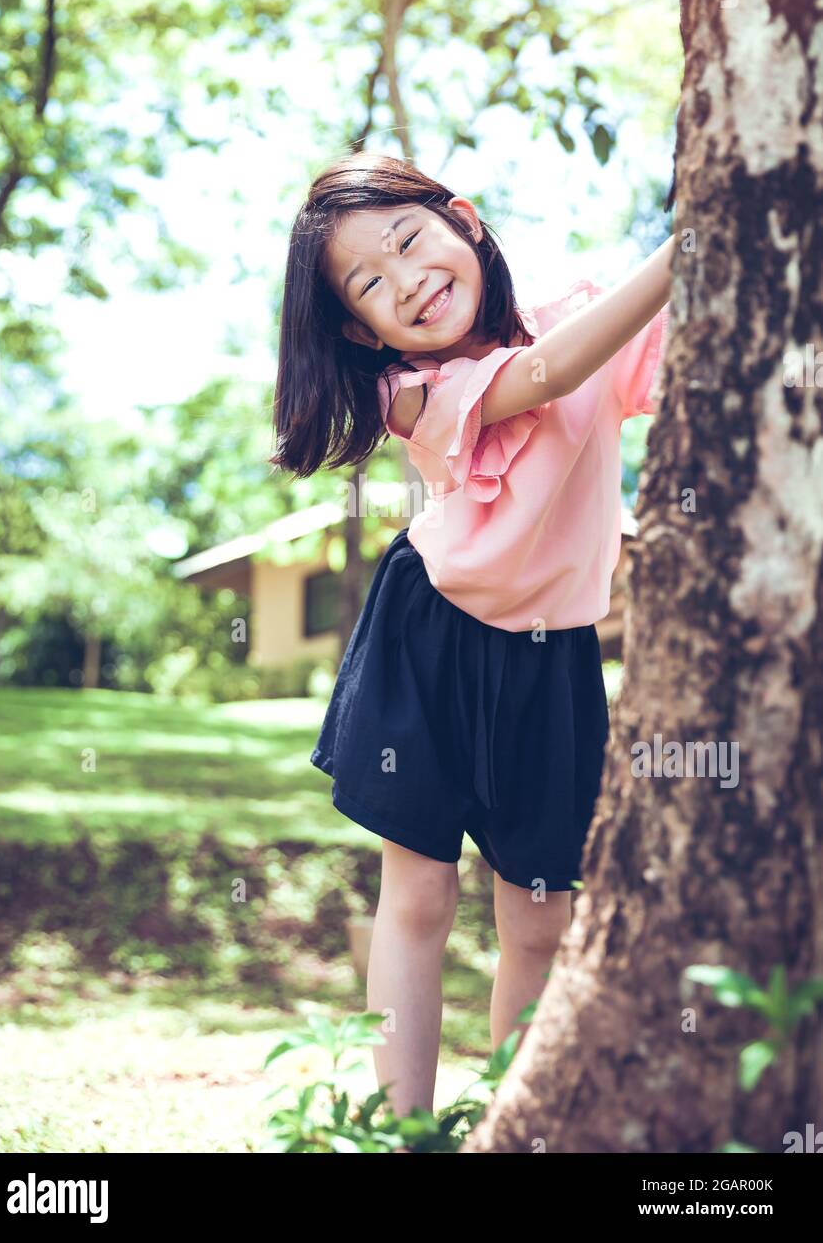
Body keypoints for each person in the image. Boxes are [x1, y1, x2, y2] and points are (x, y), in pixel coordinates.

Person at [270, 151, 672, 1118]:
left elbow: (670, 379)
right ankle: (406, 1134)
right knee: (416, 898)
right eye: (369, 283)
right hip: (430, 638)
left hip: (554, 658)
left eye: (411, 241)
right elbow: (545, 374)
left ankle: (516, 1127)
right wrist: (681, 244)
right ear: (358, 331)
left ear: (467, 220)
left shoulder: (579, 302)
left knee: (540, 919)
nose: (405, 281)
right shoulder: (408, 391)